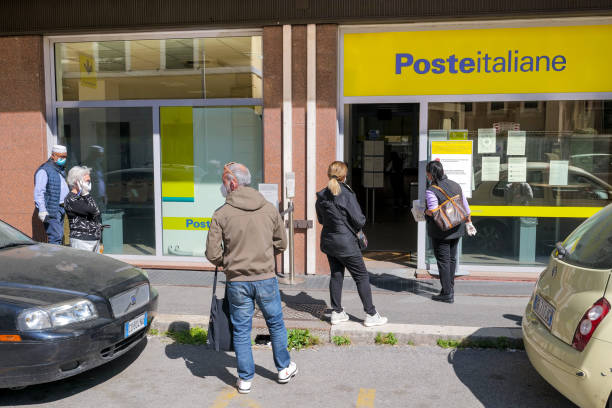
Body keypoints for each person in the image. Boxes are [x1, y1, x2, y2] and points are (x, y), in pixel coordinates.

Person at [205, 162, 296, 395]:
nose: (222, 186)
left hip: (237, 282)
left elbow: (213, 254)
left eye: (223, 182)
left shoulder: (221, 213)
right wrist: (264, 256)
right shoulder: (268, 208)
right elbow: (282, 243)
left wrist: (229, 263)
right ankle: (284, 368)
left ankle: (245, 379)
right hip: (266, 278)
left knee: (242, 329)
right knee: (275, 323)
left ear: (232, 183)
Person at [316, 161, 388, 327]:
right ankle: (371, 314)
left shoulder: (321, 196)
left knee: (336, 275)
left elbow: (321, 219)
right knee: (361, 276)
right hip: (347, 244)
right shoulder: (347, 195)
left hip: (329, 242)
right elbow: (359, 220)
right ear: (344, 176)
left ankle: (337, 312)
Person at [424, 160, 476, 303]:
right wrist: (469, 222)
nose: (427, 176)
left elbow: (434, 212)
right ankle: (449, 287)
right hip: (457, 228)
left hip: (442, 231)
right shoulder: (455, 185)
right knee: (452, 258)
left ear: (430, 174)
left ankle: (447, 293)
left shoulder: (432, 190)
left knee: (443, 261)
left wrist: (424, 211)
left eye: (427, 173)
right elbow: (466, 207)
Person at [34, 144, 69, 245]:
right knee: (56, 236)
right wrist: (42, 210)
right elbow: (39, 192)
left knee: (60, 235)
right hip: (51, 209)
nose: (63, 159)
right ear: (53, 155)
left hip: (61, 207)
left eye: (65, 156)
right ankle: (54, 259)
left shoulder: (60, 169)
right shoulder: (44, 170)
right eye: (61, 156)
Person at [64, 166, 102, 252]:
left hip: (94, 239)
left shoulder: (84, 196)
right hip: (81, 240)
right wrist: (86, 194)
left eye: (89, 181)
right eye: (86, 181)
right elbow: (94, 211)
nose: (89, 183)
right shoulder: (71, 199)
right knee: (83, 265)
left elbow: (96, 210)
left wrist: (85, 194)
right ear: (77, 182)